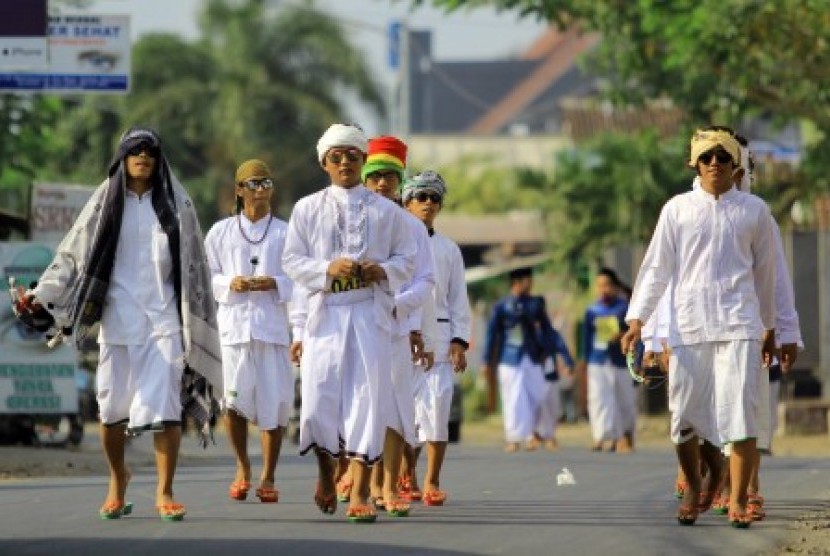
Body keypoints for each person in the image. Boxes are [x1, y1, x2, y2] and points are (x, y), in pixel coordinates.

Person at [18, 127, 222, 522]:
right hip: (117, 318)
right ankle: (117, 480)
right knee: (110, 411)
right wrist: (42, 294)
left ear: (159, 158)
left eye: (149, 150)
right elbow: (73, 253)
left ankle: (165, 491)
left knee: (165, 408)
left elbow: (196, 265)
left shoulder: (179, 205)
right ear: (123, 157)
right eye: (135, 150)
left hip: (164, 319)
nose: (142, 156)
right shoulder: (105, 203)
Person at [622, 127, 777, 528]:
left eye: (722, 157)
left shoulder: (754, 211)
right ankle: (694, 484)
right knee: (685, 421)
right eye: (706, 157)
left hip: (740, 326)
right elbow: (657, 268)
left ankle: (739, 498)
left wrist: (771, 327)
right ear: (694, 163)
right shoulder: (677, 209)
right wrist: (637, 320)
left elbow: (766, 276)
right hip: (689, 328)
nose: (714, 164)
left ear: (734, 164)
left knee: (741, 415)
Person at [282, 123, 417, 523]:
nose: (345, 163)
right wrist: (327, 267)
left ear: (363, 160)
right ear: (324, 162)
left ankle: (359, 491)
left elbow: (408, 259)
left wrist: (382, 270)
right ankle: (326, 474)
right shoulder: (307, 208)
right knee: (317, 402)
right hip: (325, 315)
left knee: (367, 401)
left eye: (352, 157)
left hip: (369, 315)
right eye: (336, 157)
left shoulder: (389, 212)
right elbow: (291, 261)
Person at [205, 159, 294, 504]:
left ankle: (268, 474)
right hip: (234, 330)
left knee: (275, 404)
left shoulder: (286, 233)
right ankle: (242, 466)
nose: (261, 190)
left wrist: (275, 282)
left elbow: (302, 277)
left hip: (272, 329)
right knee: (234, 402)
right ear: (239, 190)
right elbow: (207, 277)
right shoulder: (221, 232)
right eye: (254, 184)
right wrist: (232, 282)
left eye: (266, 183)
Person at [361, 135, 436, 516]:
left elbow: (426, 280)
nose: (382, 183)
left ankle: (389, 486)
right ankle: (366, 484)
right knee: (365, 408)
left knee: (393, 408)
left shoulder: (413, 227)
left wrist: (398, 306)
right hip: (356, 327)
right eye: (375, 176)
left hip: (396, 328)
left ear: (399, 179)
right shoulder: (352, 221)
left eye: (390, 176)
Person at [401, 171, 471, 507]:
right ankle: (407, 476)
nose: (428, 203)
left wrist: (459, 341)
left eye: (434, 198)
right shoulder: (396, 245)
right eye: (421, 196)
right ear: (407, 201)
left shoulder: (448, 249)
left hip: (439, 340)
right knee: (405, 413)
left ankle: (432, 480)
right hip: (401, 338)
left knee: (438, 409)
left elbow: (458, 299)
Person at [482, 267, 558, 452]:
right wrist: (486, 361)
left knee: (540, 395)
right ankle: (515, 437)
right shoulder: (501, 306)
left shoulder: (536, 303)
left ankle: (536, 433)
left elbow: (547, 330)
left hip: (532, 357)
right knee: (513, 398)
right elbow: (492, 335)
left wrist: (552, 353)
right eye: (527, 280)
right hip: (509, 358)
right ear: (517, 282)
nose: (530, 284)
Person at [583, 267, 635, 453]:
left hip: (619, 361)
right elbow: (587, 340)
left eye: (606, 285)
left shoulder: (624, 308)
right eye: (599, 286)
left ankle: (624, 435)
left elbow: (636, 333)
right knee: (598, 400)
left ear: (614, 286)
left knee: (623, 400)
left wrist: (621, 335)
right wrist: (585, 361)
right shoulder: (592, 311)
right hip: (597, 361)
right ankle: (600, 437)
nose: (603, 289)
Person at [534, 322, 576, 450]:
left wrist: (569, 363)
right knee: (534, 405)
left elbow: (561, 347)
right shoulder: (525, 329)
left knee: (551, 405)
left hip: (549, 373)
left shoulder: (550, 332)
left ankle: (549, 435)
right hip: (530, 373)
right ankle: (534, 434)